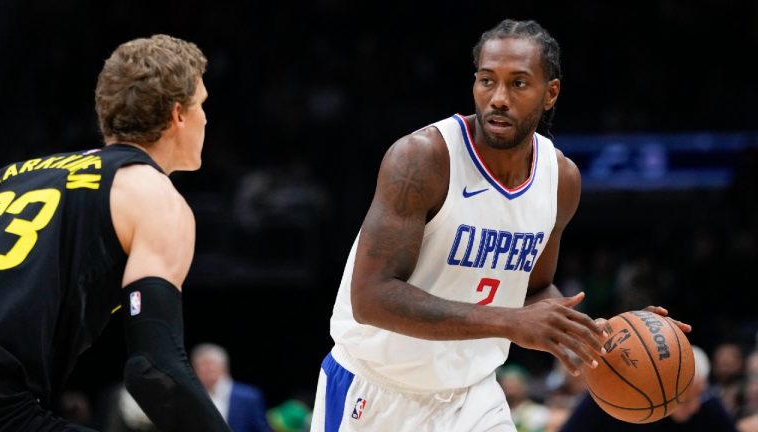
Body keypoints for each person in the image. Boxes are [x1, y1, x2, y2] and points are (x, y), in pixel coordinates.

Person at [310, 18, 690, 432]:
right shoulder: (423, 159)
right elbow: (370, 298)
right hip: (377, 391)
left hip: (473, 397)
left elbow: (534, 291)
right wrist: (508, 322)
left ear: (551, 94)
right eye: (487, 81)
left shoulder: (560, 179)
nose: (498, 98)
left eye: (519, 83)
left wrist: (589, 333)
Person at [0, 34, 230, 431]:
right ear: (178, 115)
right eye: (202, 104)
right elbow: (154, 369)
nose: (206, 117)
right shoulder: (152, 195)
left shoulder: (14, 175)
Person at [558, 345, 737, 431]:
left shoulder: (710, 406)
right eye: (687, 398)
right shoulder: (613, 399)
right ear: (664, 388)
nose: (696, 406)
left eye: (700, 393)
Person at [191, 343, 271, 432]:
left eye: (212, 365)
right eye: (203, 366)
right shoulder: (191, 397)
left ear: (225, 367)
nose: (208, 370)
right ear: (195, 370)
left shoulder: (249, 397)